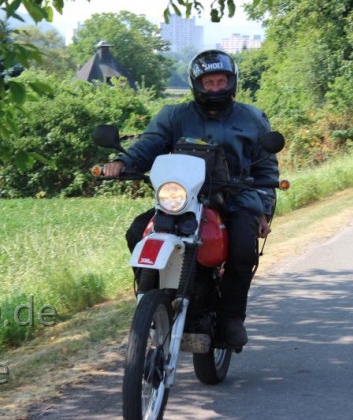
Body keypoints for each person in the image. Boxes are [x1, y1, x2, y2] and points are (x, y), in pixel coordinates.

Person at [103, 50, 279, 348]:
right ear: (196, 84)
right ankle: (152, 297)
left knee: (241, 251)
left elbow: (266, 168)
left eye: (221, 81)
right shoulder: (174, 115)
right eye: (208, 82)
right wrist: (123, 163)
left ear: (231, 82)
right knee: (137, 230)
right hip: (183, 198)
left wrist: (263, 210)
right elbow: (150, 144)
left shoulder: (252, 119)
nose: (215, 88)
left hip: (236, 198)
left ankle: (231, 319)